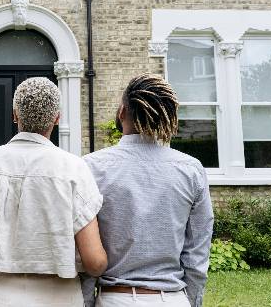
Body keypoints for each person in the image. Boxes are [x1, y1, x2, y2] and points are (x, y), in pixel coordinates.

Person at [0, 77, 108, 307]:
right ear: (57, 118)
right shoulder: (73, 168)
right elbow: (95, 262)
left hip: (0, 294)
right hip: (59, 295)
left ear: (15, 115)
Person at [82, 74, 213, 307]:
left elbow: (83, 253)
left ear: (122, 112)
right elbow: (196, 255)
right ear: (168, 117)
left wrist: (87, 302)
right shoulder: (191, 170)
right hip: (172, 300)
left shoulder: (92, 168)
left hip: (115, 298)